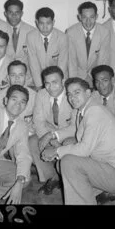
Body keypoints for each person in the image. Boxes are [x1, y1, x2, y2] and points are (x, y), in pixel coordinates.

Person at [41, 77, 115, 205]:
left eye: (77, 92)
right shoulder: (83, 109)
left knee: (68, 162)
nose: (72, 97)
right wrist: (52, 135)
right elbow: (75, 128)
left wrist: (56, 151)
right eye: (69, 94)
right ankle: (93, 194)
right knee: (63, 159)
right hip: (104, 163)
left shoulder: (95, 111)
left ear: (88, 93)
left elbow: (84, 149)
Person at [29, 66, 75, 195]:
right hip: (48, 133)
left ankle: (70, 181)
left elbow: (76, 126)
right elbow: (38, 121)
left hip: (69, 135)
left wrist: (55, 137)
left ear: (63, 81)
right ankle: (51, 178)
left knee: (68, 143)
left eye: (54, 82)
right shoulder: (41, 94)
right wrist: (48, 138)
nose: (50, 87)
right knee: (32, 141)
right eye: (47, 83)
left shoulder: (72, 94)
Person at [66, 1, 110, 87]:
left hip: (96, 76)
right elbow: (72, 62)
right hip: (77, 75)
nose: (88, 21)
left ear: (96, 17)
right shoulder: (71, 32)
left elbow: (102, 61)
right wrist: (74, 83)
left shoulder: (104, 32)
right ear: (79, 17)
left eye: (92, 17)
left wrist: (98, 82)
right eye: (84, 17)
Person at [0, 60, 36, 135]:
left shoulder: (35, 97)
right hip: (2, 134)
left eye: (21, 75)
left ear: (26, 77)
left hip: (26, 134)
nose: (17, 78)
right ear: (8, 77)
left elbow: (39, 121)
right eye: (13, 75)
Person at [26, 7, 68, 89]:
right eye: (41, 23)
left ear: (53, 22)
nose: (45, 27)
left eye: (48, 23)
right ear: (36, 23)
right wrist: (39, 85)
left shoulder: (62, 37)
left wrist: (56, 84)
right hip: (38, 78)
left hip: (58, 77)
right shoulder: (31, 36)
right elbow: (33, 63)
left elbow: (62, 64)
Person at [3, 0, 35, 87]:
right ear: (5, 13)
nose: (14, 16)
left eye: (17, 13)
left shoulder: (32, 31)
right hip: (5, 78)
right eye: (10, 12)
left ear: (21, 13)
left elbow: (35, 60)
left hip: (28, 79)